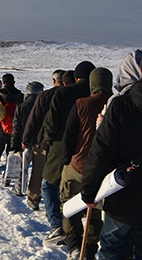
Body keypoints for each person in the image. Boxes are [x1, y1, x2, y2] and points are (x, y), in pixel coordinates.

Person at [81, 53, 142, 260]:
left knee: (112, 250)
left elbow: (102, 150)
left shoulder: (121, 105)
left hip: (125, 195)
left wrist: (89, 191)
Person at [60, 68, 113, 260]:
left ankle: (74, 243)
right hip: (103, 170)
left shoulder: (81, 104)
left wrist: (67, 160)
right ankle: (89, 248)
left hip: (78, 165)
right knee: (96, 211)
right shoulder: (116, 103)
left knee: (69, 205)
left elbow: (69, 135)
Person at [42, 61, 96, 246]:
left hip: (60, 145)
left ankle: (57, 225)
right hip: (89, 149)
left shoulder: (63, 93)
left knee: (49, 184)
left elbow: (51, 122)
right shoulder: (97, 95)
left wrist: (50, 142)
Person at [22, 69, 65, 211]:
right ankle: (58, 201)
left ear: (53, 81)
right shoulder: (69, 96)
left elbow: (33, 119)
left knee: (38, 170)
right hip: (62, 142)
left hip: (42, 140)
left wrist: (26, 139)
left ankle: (34, 197)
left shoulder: (44, 95)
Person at [9, 81, 44, 195]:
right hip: (40, 143)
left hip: (24, 142)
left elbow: (16, 129)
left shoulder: (21, 107)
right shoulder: (44, 107)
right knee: (38, 169)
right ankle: (36, 191)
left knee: (22, 168)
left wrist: (14, 146)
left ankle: (19, 188)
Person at [0, 73, 24, 182]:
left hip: (0, 128)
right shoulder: (20, 95)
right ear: (14, 82)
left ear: (3, 83)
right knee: (11, 153)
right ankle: (7, 177)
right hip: (15, 129)